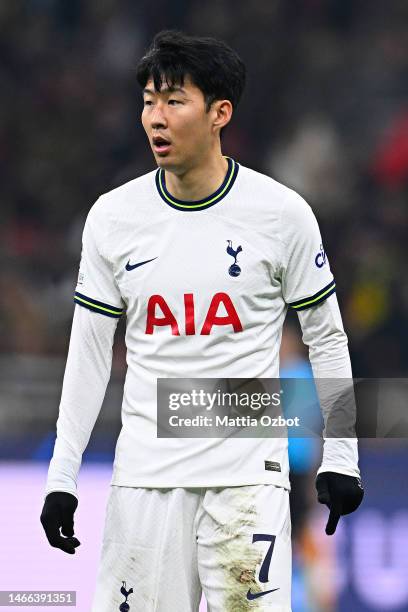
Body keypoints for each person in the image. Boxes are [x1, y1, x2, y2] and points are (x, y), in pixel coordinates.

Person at [40, 30, 364, 611]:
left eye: (173, 101)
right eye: (147, 101)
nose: (155, 118)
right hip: (144, 481)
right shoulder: (114, 219)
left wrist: (342, 455)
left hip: (247, 482)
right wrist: (63, 475)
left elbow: (326, 337)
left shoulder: (282, 214)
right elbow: (87, 355)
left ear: (220, 113)